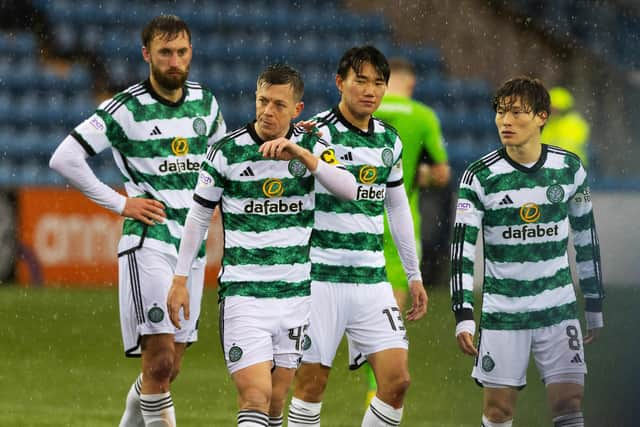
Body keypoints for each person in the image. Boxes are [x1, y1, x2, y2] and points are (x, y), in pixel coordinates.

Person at [49, 15, 226, 427]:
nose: (174, 61)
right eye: (165, 52)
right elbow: (65, 158)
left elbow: (222, 164)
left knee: (168, 369)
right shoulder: (125, 107)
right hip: (148, 241)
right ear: (146, 54)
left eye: (181, 52)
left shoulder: (206, 102)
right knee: (160, 360)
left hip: (192, 248)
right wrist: (120, 203)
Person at [166, 64, 357, 427]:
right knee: (255, 396)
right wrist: (179, 278)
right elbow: (198, 218)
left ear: (297, 110)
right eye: (262, 101)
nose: (268, 111)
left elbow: (349, 190)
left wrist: (302, 155)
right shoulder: (227, 152)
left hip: (295, 296)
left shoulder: (314, 147)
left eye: (279, 105)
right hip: (244, 295)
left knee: (275, 403)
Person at [450, 76, 604, 427]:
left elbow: (586, 237)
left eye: (517, 113)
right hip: (504, 313)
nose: (506, 121)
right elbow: (462, 248)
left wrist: (594, 303)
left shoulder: (569, 169)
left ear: (541, 117)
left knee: (568, 402)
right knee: (499, 410)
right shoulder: (480, 175)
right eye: (500, 112)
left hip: (558, 310)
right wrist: (463, 313)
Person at [287, 46, 428, 427]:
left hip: (371, 279)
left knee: (397, 381)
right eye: (360, 81)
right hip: (320, 278)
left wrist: (413, 274)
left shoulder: (390, 140)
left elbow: (397, 208)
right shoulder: (313, 133)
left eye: (378, 83)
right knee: (311, 386)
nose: (370, 90)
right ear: (340, 82)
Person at [368, 56, 451, 406]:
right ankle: (378, 386)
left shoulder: (365, 109)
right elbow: (443, 173)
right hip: (401, 219)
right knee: (393, 304)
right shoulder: (423, 116)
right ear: (411, 83)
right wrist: (414, 176)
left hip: (359, 216)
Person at [541, 86, 590, 166]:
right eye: (550, 108)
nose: (552, 111)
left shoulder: (574, 123)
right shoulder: (546, 124)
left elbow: (569, 147)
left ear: (563, 108)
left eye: (555, 108)